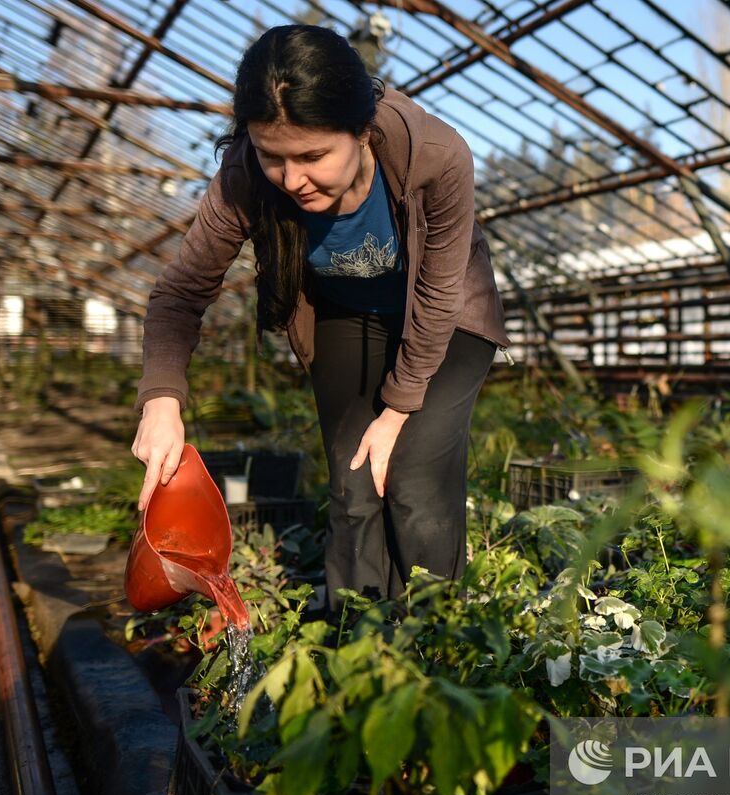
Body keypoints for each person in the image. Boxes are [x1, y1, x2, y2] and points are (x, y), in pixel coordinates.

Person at [130, 24, 511, 618]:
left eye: (312, 156)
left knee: (413, 477)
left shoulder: (434, 155)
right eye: (272, 156)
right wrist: (160, 401)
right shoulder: (243, 178)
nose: (292, 179)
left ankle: (439, 639)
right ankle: (359, 634)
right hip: (346, 312)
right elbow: (180, 293)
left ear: (361, 131)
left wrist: (398, 408)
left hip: (448, 316)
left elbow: (437, 293)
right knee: (353, 486)